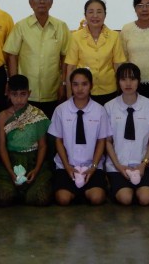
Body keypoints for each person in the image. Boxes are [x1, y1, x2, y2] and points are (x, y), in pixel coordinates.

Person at [3, 0, 71, 119]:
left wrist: (63, 84)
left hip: (52, 91)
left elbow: (66, 58)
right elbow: (12, 55)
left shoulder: (61, 26)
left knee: (51, 128)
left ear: (51, 2)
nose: (42, 1)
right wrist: (14, 85)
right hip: (26, 93)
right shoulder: (21, 26)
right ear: (30, 2)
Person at [48, 68, 112, 206]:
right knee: (62, 199)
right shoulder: (61, 110)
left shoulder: (99, 110)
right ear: (70, 86)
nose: (80, 89)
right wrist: (67, 166)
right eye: (75, 84)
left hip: (91, 165)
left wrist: (94, 166)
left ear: (91, 86)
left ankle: (88, 189)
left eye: (84, 84)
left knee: (97, 198)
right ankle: (76, 191)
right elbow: (58, 140)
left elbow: (101, 141)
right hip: (67, 165)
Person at [104, 63, 149, 206]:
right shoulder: (109, 107)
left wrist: (144, 164)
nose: (128, 83)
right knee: (125, 198)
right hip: (118, 165)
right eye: (123, 79)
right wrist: (118, 166)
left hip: (144, 165)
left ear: (139, 80)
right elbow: (107, 141)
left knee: (145, 198)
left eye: (132, 79)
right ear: (118, 81)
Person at [0, 75, 53, 207]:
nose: (19, 99)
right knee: (2, 198)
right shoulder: (2, 116)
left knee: (41, 198)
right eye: (14, 94)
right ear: (8, 93)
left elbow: (42, 146)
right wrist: (10, 171)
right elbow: (1, 146)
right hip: (11, 161)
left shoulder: (37, 114)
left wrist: (36, 169)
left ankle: (26, 192)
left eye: (23, 94)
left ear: (29, 93)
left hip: (33, 161)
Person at [65, 0, 126, 105]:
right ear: (85, 15)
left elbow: (118, 66)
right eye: (91, 12)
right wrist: (69, 96)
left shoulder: (114, 36)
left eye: (99, 12)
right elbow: (71, 68)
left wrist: (121, 92)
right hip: (83, 91)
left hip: (109, 91)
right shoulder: (76, 37)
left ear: (105, 15)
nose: (95, 16)